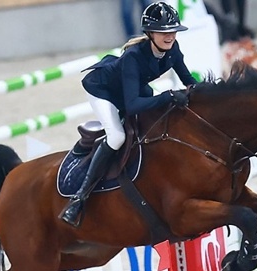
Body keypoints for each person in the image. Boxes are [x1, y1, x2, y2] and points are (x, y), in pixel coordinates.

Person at [60, 1, 197, 227]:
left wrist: (209, 92)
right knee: (117, 136)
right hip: (102, 90)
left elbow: (189, 81)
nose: (169, 36)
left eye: (172, 31)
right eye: (163, 32)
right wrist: (170, 96)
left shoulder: (173, 49)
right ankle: (79, 198)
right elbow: (133, 105)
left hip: (130, 88)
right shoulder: (134, 56)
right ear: (150, 33)